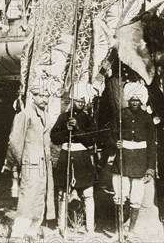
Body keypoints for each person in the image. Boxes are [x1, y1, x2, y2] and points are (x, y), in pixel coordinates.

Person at [7, 80, 56, 240]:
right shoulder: (24, 114)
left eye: (46, 96)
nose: (44, 99)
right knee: (28, 197)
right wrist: (24, 161)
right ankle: (17, 233)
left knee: (40, 197)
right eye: (40, 95)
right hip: (31, 164)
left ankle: (31, 232)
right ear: (32, 96)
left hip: (44, 165)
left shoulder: (45, 115)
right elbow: (15, 141)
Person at [109, 81, 156, 237]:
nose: (135, 102)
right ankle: (118, 231)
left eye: (137, 100)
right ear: (128, 100)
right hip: (122, 159)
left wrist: (150, 168)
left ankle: (131, 232)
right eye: (132, 100)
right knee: (119, 196)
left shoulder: (147, 117)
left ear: (141, 101)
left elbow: (151, 144)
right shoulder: (120, 114)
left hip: (140, 161)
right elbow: (111, 135)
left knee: (136, 198)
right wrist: (115, 143)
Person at [50, 84, 96, 237]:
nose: (81, 103)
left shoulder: (87, 118)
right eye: (78, 100)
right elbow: (54, 138)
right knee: (63, 193)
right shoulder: (64, 117)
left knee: (88, 193)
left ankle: (90, 228)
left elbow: (91, 140)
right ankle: (61, 226)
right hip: (66, 156)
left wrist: (77, 129)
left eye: (83, 101)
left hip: (82, 159)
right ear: (72, 100)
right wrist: (66, 131)